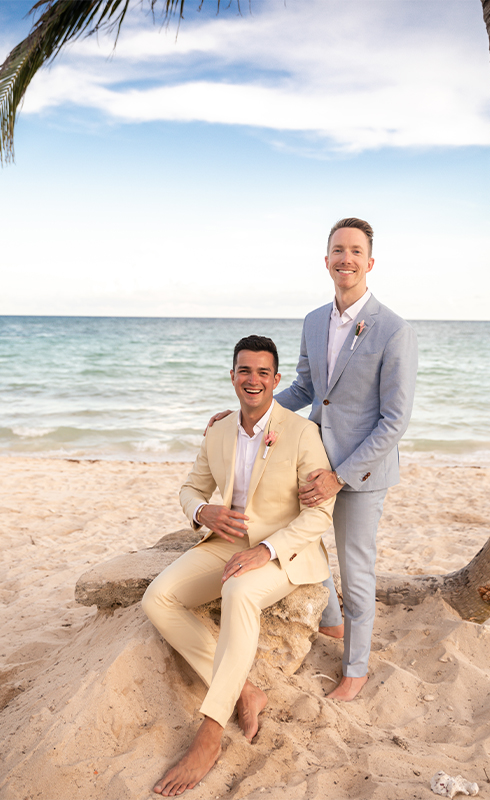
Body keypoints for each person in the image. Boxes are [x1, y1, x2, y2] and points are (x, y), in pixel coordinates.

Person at [142, 334, 335, 797]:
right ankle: (244, 690)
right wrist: (200, 512)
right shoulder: (219, 429)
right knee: (158, 599)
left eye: (262, 372)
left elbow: (320, 512)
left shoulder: (302, 432)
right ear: (232, 377)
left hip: (280, 552)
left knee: (239, 592)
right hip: (224, 544)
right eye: (244, 371)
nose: (253, 380)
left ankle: (209, 733)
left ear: (276, 380)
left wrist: (266, 550)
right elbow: (190, 488)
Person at [274, 217, 418, 702]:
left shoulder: (394, 329)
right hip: (311, 461)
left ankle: (355, 670)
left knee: (357, 570)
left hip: (361, 471)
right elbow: (304, 389)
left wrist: (341, 476)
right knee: (308, 546)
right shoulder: (314, 320)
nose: (346, 259)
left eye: (356, 251)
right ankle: (332, 625)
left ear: (370, 262)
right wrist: (248, 411)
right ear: (327, 260)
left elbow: (394, 422)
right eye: (338, 250)